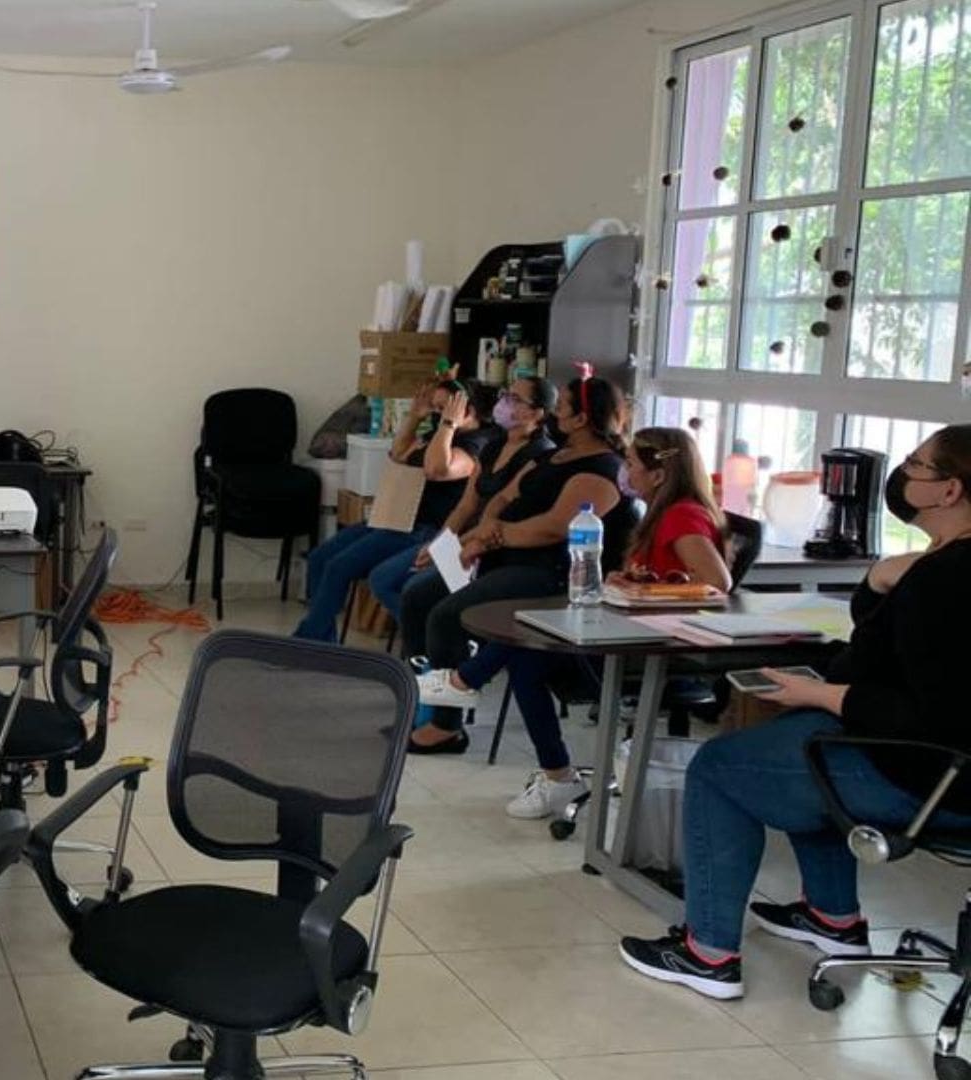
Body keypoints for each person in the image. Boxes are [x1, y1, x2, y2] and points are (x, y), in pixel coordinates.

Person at [619, 425, 971, 1001]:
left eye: (915, 463)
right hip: (937, 764)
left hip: (932, 777)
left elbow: (927, 714)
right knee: (797, 739)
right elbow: (883, 644)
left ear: (949, 490)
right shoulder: (934, 569)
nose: (903, 472)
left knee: (719, 767)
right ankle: (832, 917)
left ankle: (708, 953)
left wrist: (819, 695)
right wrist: (879, 578)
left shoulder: (945, 581)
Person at [418, 427, 730, 817]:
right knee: (526, 653)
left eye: (631, 464)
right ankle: (553, 772)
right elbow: (667, 575)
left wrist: (645, 591)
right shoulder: (661, 513)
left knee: (527, 649)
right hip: (631, 633)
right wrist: (630, 580)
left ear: (658, 474)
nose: (624, 471)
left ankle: (467, 685)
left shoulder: (681, 516)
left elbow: (716, 584)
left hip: (652, 650)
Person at [396, 372, 636, 754]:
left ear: (582, 418)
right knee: (417, 595)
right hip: (503, 553)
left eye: (563, 407)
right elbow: (502, 498)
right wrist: (480, 537)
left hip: (549, 573)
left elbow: (555, 527)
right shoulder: (553, 454)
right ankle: (420, 697)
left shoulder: (602, 469)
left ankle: (445, 725)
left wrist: (492, 537)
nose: (557, 412)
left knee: (446, 615)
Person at [295, 379, 495, 641]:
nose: (437, 414)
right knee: (320, 558)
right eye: (435, 408)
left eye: (443, 407)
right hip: (399, 518)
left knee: (338, 567)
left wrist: (448, 425)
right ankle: (319, 638)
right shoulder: (439, 432)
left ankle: (310, 641)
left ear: (467, 410)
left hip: (426, 529)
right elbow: (399, 454)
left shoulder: (477, 443)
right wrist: (415, 417)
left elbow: (437, 470)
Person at [368, 376, 558, 624]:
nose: (504, 402)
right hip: (466, 538)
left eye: (515, 399)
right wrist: (440, 544)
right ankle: (427, 640)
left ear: (536, 413)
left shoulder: (539, 453)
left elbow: (502, 513)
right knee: (391, 582)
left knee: (418, 593)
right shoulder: (494, 446)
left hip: (497, 547)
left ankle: (439, 640)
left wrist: (460, 546)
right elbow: (466, 506)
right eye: (505, 395)